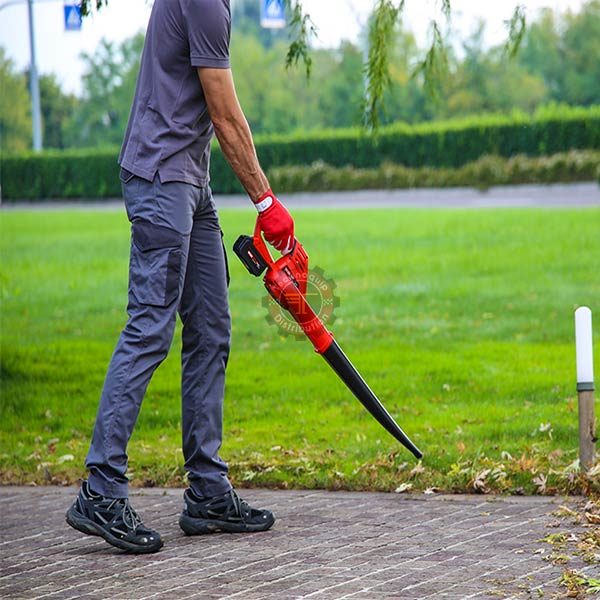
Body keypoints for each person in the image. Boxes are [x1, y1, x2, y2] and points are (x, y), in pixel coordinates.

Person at [66, 0, 294, 554]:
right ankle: (101, 488)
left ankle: (209, 492)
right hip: (162, 179)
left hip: (192, 182)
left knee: (212, 326)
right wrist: (265, 201)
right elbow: (226, 114)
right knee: (149, 328)